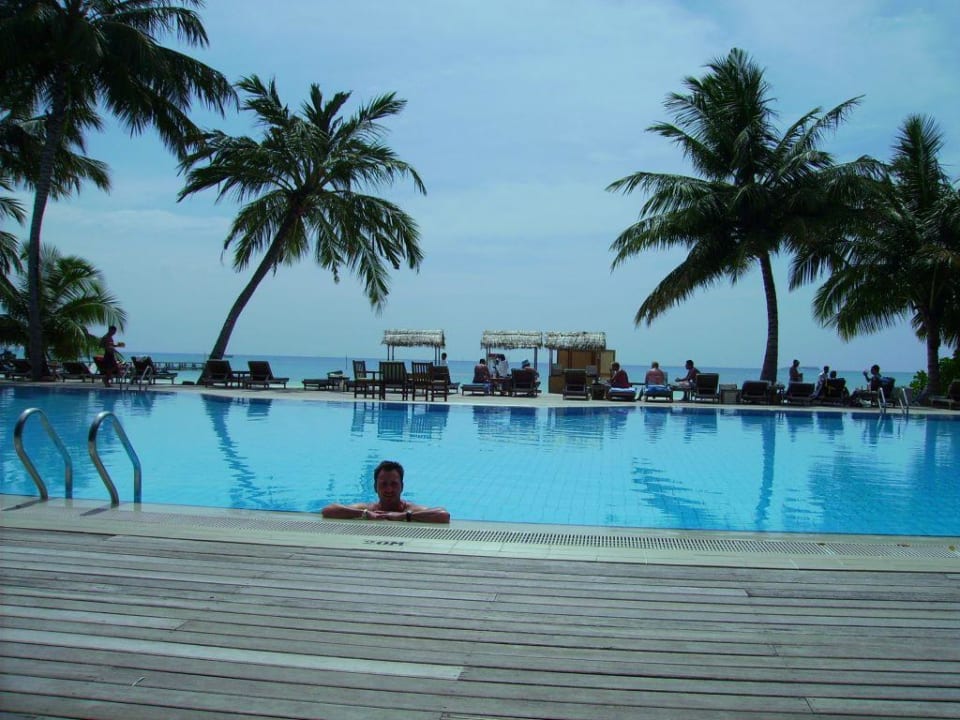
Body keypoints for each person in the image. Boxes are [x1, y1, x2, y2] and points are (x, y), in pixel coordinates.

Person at [320, 460, 450, 523]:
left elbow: (444, 515)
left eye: (394, 484)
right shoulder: (368, 509)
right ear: (375, 487)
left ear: (402, 487)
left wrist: (405, 516)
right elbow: (328, 510)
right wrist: (365, 514)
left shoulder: (409, 509)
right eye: (384, 484)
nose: (389, 489)